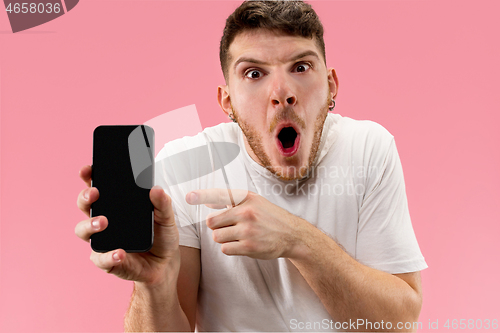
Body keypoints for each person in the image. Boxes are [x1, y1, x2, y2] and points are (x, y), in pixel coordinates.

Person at [75, 1, 427, 331]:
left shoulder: (368, 148)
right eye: (254, 73)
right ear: (227, 101)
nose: (282, 92)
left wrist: (296, 238)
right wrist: (154, 285)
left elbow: (399, 324)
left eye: (300, 67)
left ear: (331, 84)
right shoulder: (186, 166)